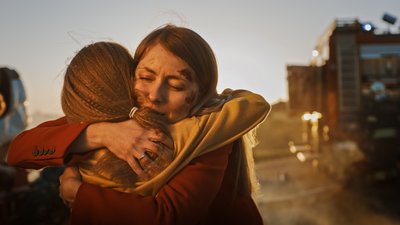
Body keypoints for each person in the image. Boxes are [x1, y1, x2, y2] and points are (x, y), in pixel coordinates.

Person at [8, 24, 270, 224]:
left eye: (176, 85)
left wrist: (79, 193)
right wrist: (101, 134)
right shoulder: (119, 114)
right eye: (146, 76)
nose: (155, 95)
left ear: (200, 95)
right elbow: (19, 151)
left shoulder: (210, 137)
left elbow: (169, 217)